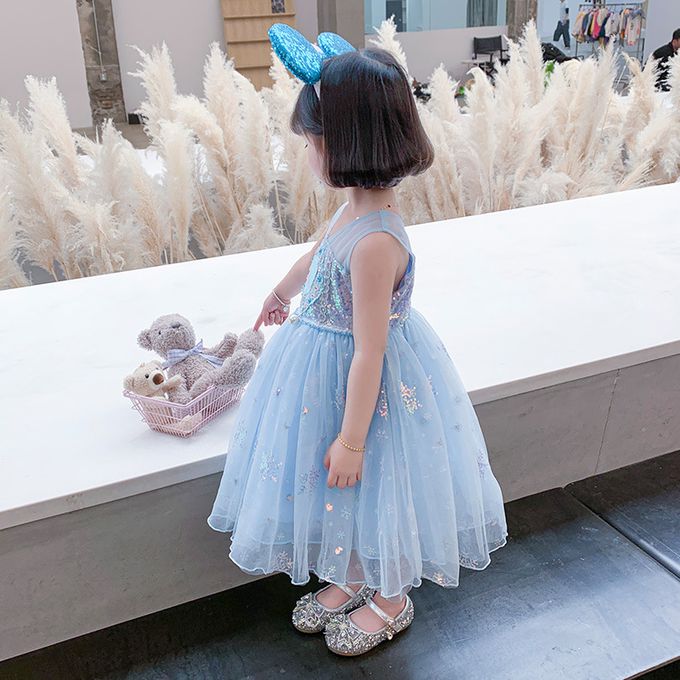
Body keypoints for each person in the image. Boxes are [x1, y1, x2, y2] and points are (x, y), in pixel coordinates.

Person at [206, 25, 508, 657]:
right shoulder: (355, 210)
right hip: (325, 374)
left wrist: (352, 440)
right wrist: (282, 290)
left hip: (364, 389)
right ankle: (349, 573)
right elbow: (319, 255)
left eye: (310, 141)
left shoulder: (376, 241)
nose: (307, 153)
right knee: (333, 490)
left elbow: (370, 349)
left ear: (342, 143)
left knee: (371, 485)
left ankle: (391, 596)